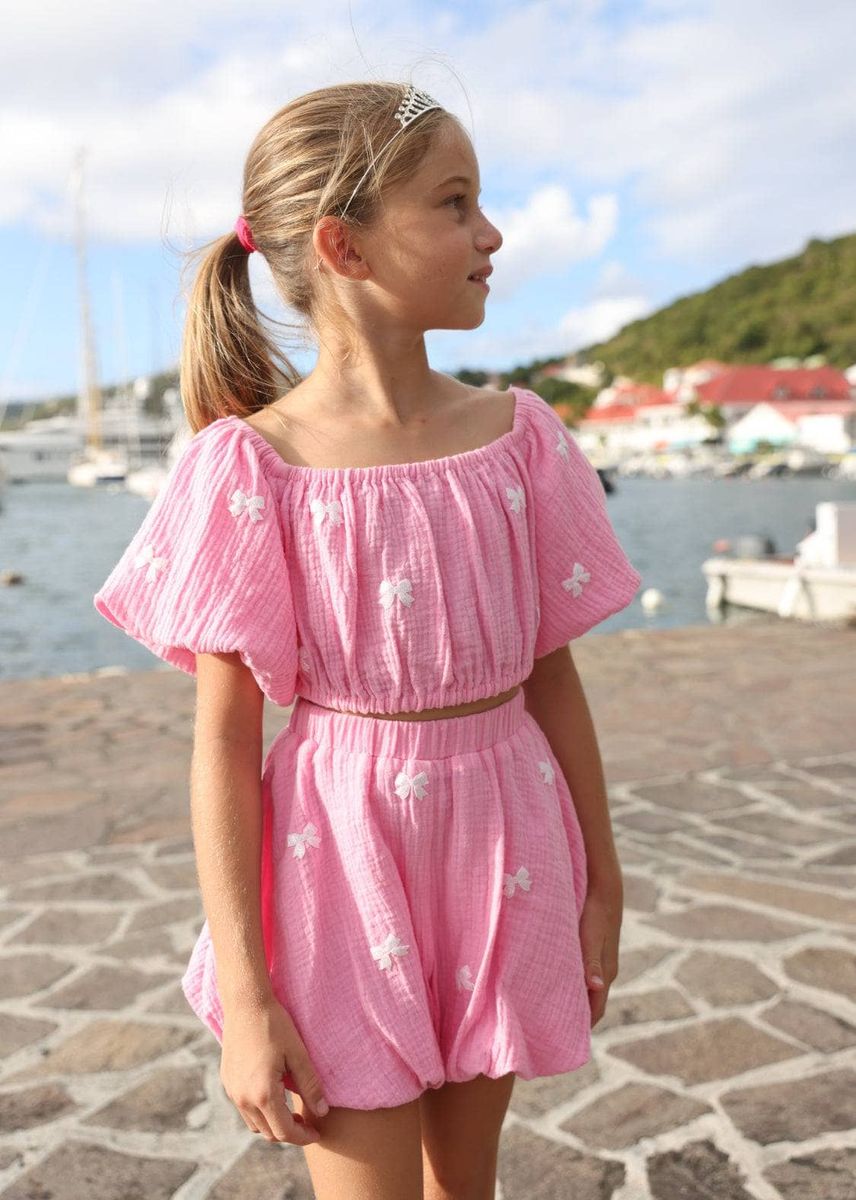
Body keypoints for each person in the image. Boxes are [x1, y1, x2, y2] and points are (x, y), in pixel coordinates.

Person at [93, 80, 642, 1200]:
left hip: (505, 842)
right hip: (338, 867)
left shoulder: (518, 439)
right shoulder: (253, 469)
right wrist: (248, 997)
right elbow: (222, 748)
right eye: (453, 203)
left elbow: (552, 677)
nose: (489, 234)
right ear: (343, 245)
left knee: (465, 1189)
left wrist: (603, 878)